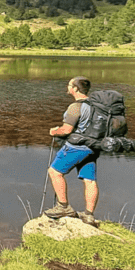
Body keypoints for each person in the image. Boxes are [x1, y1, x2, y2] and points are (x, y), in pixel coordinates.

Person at [44, 76, 99, 225]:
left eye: (69, 85)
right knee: (89, 180)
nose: (68, 87)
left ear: (75, 89)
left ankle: (63, 207)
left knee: (54, 172)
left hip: (76, 147)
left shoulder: (75, 107)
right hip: (93, 147)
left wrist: (54, 132)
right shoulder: (97, 105)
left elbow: (66, 129)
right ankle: (89, 215)